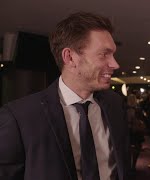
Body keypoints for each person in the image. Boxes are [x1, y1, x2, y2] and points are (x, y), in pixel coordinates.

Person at [0, 12, 129, 180]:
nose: (115, 64)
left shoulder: (115, 104)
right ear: (70, 57)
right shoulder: (19, 117)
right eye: (104, 54)